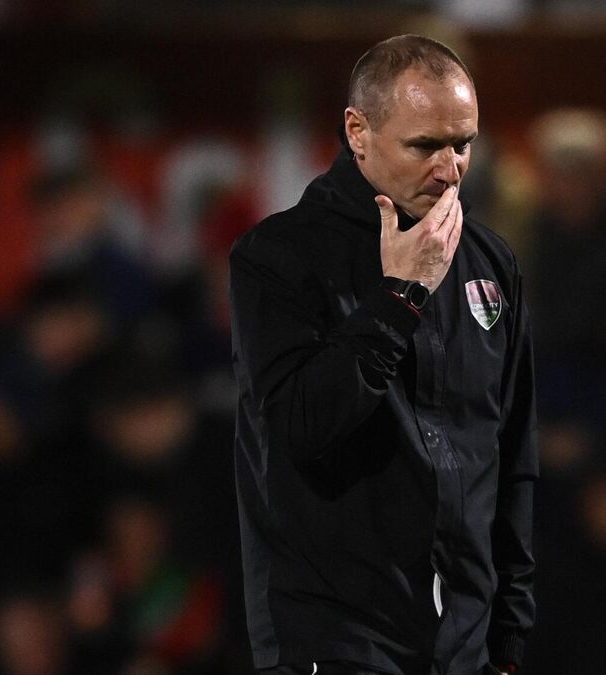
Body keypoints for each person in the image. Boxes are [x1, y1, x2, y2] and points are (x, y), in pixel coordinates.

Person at [228, 35, 537, 675]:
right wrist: (400, 296)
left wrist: (508, 633)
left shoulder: (491, 264)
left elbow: (510, 457)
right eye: (425, 146)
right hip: (334, 641)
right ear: (358, 132)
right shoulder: (278, 259)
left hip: (465, 647)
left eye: (463, 144)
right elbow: (301, 426)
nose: (450, 169)